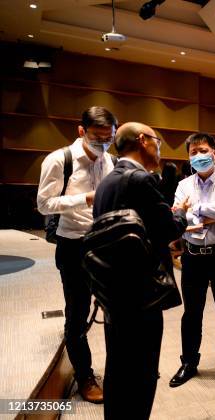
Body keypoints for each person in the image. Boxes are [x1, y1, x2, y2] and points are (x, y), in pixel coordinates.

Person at [93, 122, 187, 419]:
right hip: (141, 293)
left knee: (118, 367)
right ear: (143, 140)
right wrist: (181, 213)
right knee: (142, 373)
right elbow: (167, 229)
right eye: (157, 141)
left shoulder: (108, 181)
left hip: (112, 288)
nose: (160, 147)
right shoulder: (140, 180)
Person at [37, 106, 118, 404]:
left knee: (115, 311)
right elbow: (44, 204)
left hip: (107, 244)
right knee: (77, 314)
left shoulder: (111, 160)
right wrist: (84, 198)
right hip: (74, 246)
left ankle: (118, 369)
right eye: (98, 138)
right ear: (81, 130)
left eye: (108, 139)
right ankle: (84, 375)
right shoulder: (60, 160)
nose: (103, 145)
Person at [169, 133, 215, 389]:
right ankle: (189, 362)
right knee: (191, 314)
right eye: (193, 152)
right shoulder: (183, 185)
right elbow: (177, 214)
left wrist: (194, 210)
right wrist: (196, 213)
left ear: (214, 151)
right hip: (192, 257)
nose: (198, 156)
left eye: (203, 150)